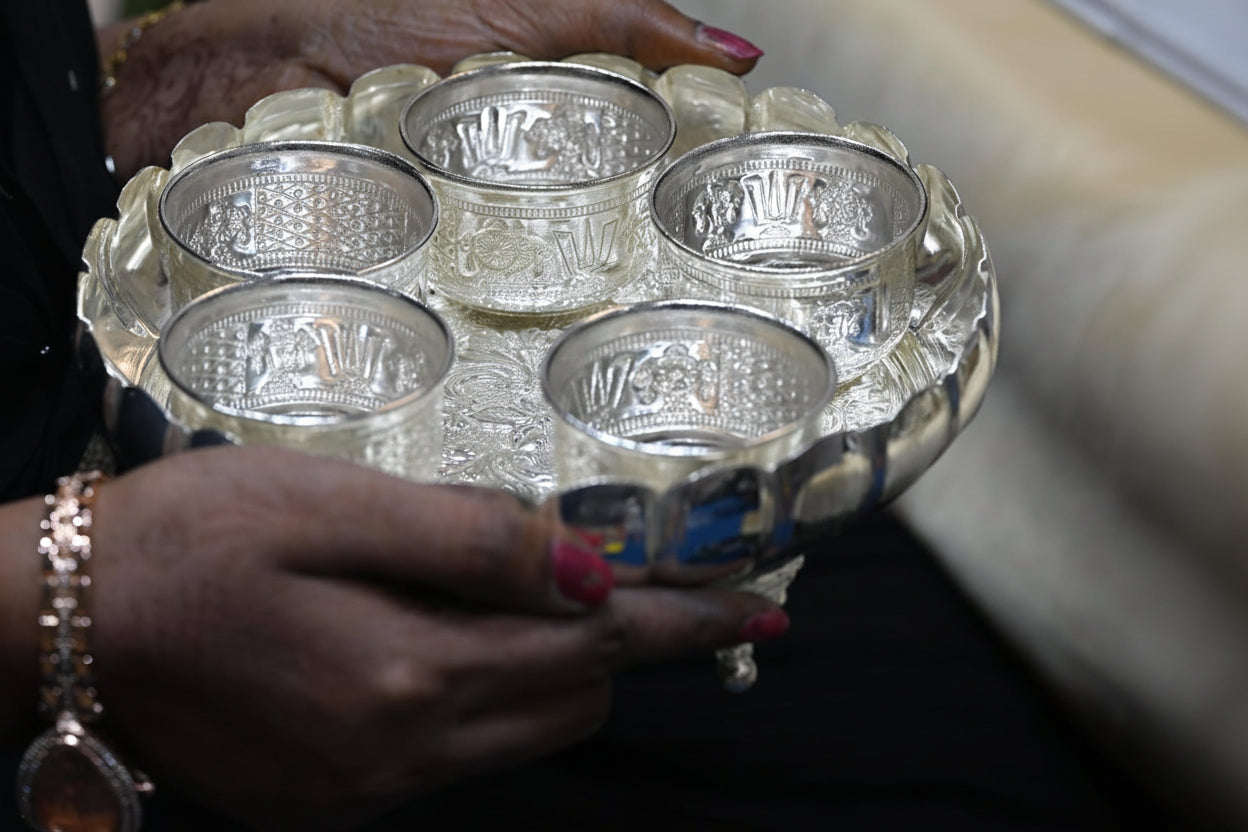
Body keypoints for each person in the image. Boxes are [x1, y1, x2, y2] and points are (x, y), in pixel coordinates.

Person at [0, 1, 1189, 829]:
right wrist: (65, 598)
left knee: (976, 732)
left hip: (147, 404)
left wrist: (143, 64)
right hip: (131, 609)